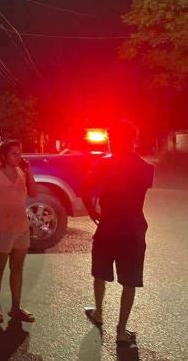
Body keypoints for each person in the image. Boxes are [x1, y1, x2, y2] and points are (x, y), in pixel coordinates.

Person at [82, 120, 154, 347]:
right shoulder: (146, 167)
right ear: (134, 141)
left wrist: (92, 211)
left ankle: (100, 312)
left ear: (113, 141)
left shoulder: (103, 164)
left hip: (109, 225)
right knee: (130, 280)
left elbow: (86, 190)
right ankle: (121, 330)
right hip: (133, 227)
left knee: (100, 272)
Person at [0, 139, 38, 323]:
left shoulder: (22, 173)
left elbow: (34, 192)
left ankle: (16, 307)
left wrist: (29, 172)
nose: (18, 157)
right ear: (4, 156)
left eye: (19, 153)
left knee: (17, 269)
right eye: (14, 153)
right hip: (2, 228)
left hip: (21, 228)